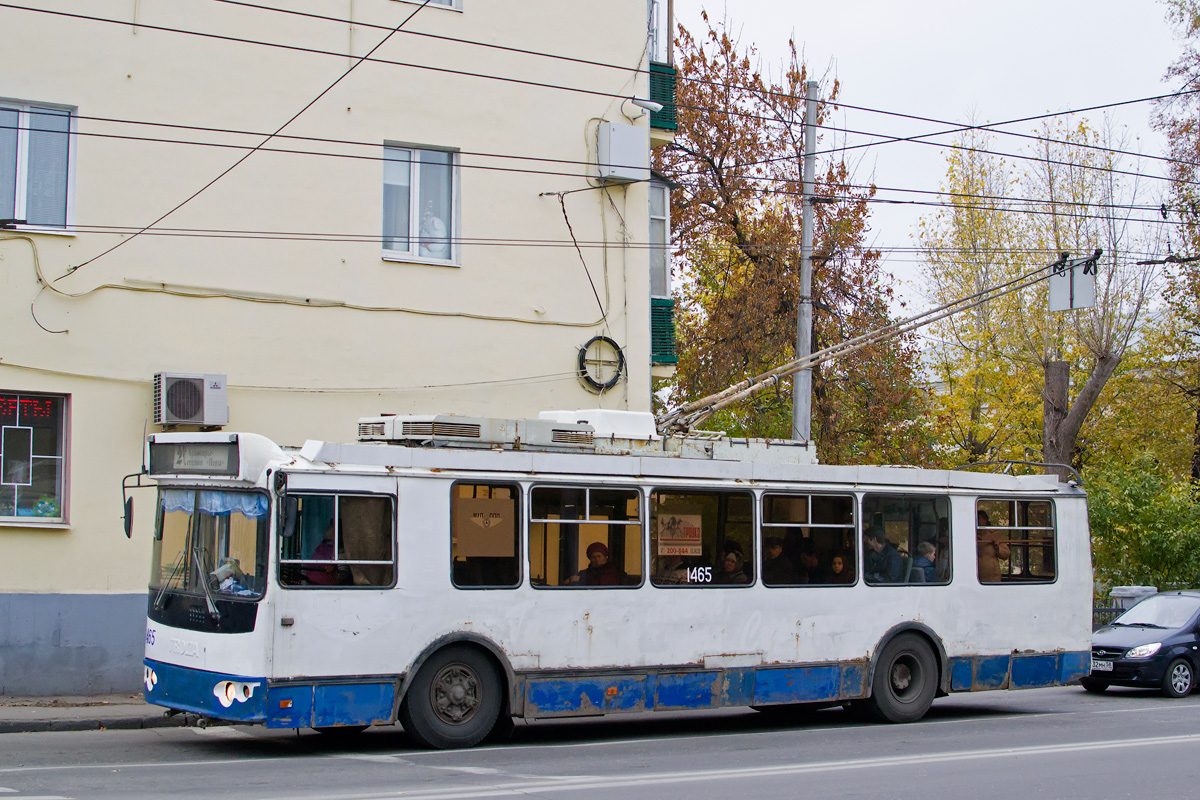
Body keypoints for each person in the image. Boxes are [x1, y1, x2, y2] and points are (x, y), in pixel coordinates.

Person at [976, 509, 1010, 583]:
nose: (977, 522)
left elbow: (1006, 554)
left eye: (979, 519)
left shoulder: (994, 534)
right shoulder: (970, 533)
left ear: (985, 520)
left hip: (992, 575)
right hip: (974, 575)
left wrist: (997, 548)